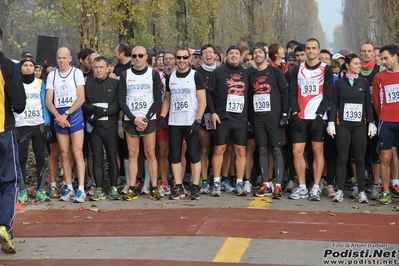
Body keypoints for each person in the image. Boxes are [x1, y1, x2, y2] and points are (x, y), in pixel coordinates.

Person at [327, 53, 376, 203]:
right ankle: (340, 190)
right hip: (343, 126)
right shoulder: (339, 83)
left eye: (359, 63)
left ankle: (362, 192)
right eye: (355, 63)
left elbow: (368, 104)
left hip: (360, 126)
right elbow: (334, 103)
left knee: (360, 159)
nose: (358, 66)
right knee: (342, 158)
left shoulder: (364, 82)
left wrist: (372, 123)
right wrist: (331, 123)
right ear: (347, 65)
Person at [288, 38, 333, 201]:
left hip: (317, 118)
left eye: (314, 48)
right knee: (297, 152)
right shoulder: (297, 70)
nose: (311, 51)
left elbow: (328, 95)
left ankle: (315, 186)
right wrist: (294, 113)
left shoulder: (325, 70)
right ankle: (301, 186)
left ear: (319, 50)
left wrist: (320, 116)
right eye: (308, 48)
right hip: (300, 117)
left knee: (317, 151)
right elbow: (292, 93)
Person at [160, 48, 206, 200]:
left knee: (193, 154)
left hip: (190, 122)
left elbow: (202, 100)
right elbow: (167, 99)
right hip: (175, 122)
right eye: (178, 57)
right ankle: (178, 186)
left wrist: (198, 120)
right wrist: (162, 116)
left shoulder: (195, 76)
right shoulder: (171, 77)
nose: (181, 60)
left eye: (184, 57)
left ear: (189, 59)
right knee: (175, 155)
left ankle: (194, 186)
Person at [117, 45, 162, 201]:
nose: (137, 58)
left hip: (148, 119)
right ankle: (131, 187)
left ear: (146, 57)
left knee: (150, 153)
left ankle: (154, 187)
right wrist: (133, 117)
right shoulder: (125, 75)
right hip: (131, 120)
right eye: (134, 56)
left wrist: (147, 118)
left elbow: (158, 99)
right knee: (133, 154)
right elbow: (121, 100)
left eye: (140, 55)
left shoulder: (153, 74)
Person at [46, 47, 87, 203]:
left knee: (77, 152)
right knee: (64, 153)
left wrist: (67, 114)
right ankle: (69, 187)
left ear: (70, 59)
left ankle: (81, 188)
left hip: (74, 114)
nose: (61, 61)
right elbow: (49, 100)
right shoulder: (52, 75)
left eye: (64, 58)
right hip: (59, 116)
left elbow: (81, 98)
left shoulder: (76, 73)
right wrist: (58, 116)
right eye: (59, 58)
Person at [248, 44, 289, 199]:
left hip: (274, 117)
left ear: (266, 55)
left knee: (277, 150)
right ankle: (265, 183)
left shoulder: (275, 71)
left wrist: (284, 115)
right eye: (255, 52)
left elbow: (285, 92)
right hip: (258, 118)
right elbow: (248, 96)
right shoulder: (250, 73)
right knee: (262, 150)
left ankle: (278, 185)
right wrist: (250, 118)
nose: (258, 55)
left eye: (260, 52)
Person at [208, 45, 249, 197]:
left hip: (240, 118)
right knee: (219, 150)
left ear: (240, 56)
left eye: (236, 53)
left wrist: (249, 117)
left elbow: (250, 95)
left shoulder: (246, 72)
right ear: (226, 56)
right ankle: (217, 183)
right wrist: (213, 113)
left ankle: (239, 182)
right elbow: (209, 93)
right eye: (230, 53)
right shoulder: (218, 72)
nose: (233, 56)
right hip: (222, 117)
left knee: (240, 150)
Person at [0, 26, 26, 254]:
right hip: (3, 132)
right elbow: (19, 103)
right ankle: (4, 226)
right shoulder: (8, 66)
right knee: (9, 182)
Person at [82, 56, 121, 201]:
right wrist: (92, 110)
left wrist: (105, 112)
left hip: (110, 127)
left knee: (112, 157)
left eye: (101, 67)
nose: (98, 70)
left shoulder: (114, 83)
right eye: (96, 67)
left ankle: (113, 187)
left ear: (107, 68)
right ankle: (98, 188)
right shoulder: (88, 84)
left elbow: (119, 103)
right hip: (95, 128)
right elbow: (83, 103)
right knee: (97, 158)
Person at [15, 56, 51, 203]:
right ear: (21, 68)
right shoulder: (15, 83)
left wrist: (47, 124)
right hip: (22, 125)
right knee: (21, 159)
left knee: (40, 158)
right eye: (25, 65)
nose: (28, 67)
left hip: (38, 124)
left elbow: (45, 104)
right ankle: (22, 190)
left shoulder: (41, 83)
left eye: (31, 65)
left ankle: (41, 190)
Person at [372, 44, 399, 205]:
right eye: (381, 59)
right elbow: (376, 101)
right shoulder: (379, 77)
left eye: (386, 58)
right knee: (385, 157)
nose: (383, 62)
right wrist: (383, 115)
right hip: (386, 121)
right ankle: (386, 191)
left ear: (396, 56)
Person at [193, 44, 218, 194]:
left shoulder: (222, 71)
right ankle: (204, 181)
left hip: (220, 114)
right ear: (201, 56)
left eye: (210, 52)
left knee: (222, 149)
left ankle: (221, 178)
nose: (208, 55)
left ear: (216, 55)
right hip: (203, 116)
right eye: (205, 53)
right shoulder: (196, 73)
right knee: (204, 149)